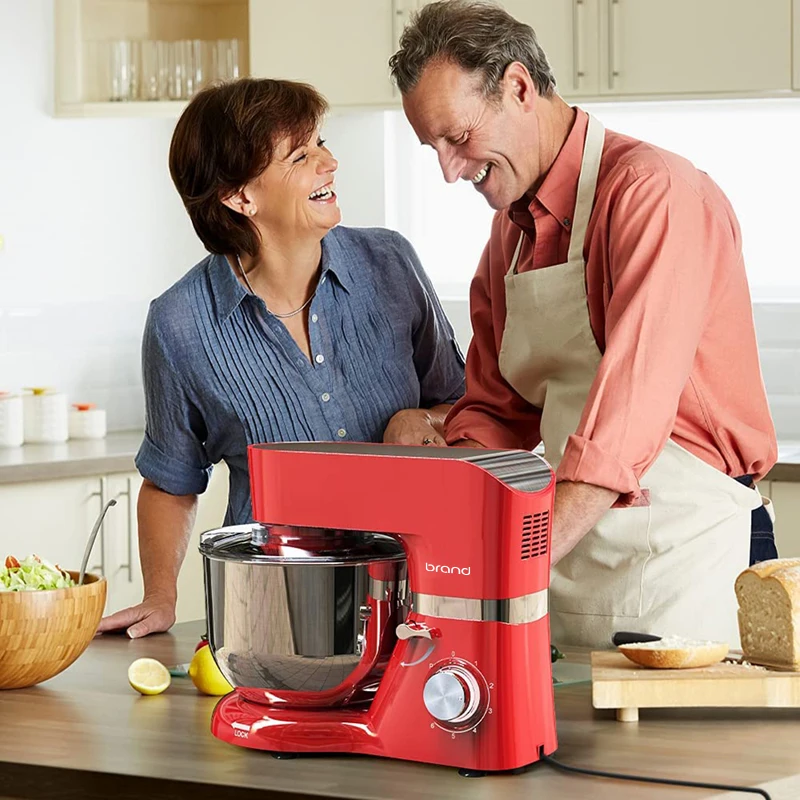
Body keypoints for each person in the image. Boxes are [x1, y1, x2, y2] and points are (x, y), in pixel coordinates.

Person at [389, 0, 778, 648]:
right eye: (433, 149)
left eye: (457, 138)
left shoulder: (654, 193)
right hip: (571, 559)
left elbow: (630, 414)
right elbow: (495, 413)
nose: (450, 171)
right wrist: (442, 516)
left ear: (519, 87)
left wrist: (510, 566)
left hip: (685, 556)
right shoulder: (509, 236)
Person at [98, 78, 465, 639]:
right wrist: (160, 596)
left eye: (321, 143)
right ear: (240, 197)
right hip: (270, 621)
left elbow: (465, 406)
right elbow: (172, 481)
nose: (330, 163)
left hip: (415, 604)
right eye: (301, 156)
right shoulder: (180, 324)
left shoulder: (391, 263)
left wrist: (422, 419)